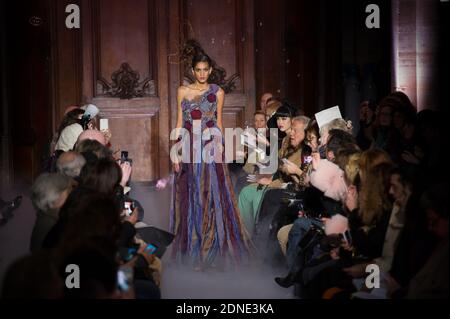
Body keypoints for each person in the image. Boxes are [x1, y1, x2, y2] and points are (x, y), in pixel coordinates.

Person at [170, 45, 251, 269]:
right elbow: (179, 122)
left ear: (211, 70)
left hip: (209, 146)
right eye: (198, 69)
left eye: (206, 69)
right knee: (191, 194)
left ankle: (210, 249)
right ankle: (193, 250)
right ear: (193, 71)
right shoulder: (182, 91)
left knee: (209, 196)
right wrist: (175, 152)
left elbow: (218, 123)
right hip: (187, 146)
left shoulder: (218, 92)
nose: (202, 73)